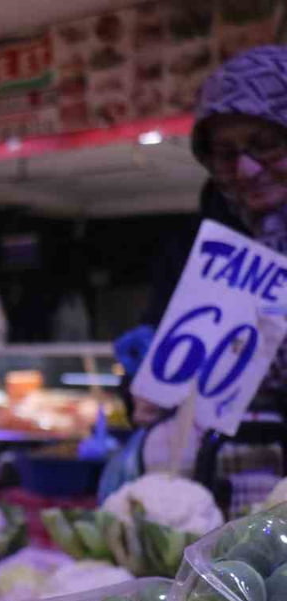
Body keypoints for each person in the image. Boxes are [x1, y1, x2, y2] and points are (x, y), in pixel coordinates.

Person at [111, 46, 287, 508]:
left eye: (265, 143)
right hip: (216, 492)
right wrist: (142, 386)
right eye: (226, 154)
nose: (246, 169)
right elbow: (153, 393)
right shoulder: (195, 248)